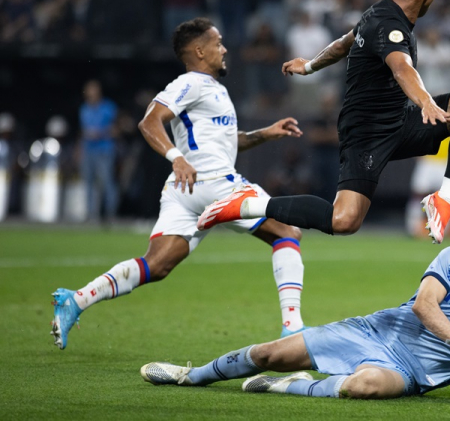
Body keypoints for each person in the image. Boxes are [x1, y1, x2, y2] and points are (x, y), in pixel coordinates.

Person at [140, 212, 450, 406]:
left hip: (410, 371)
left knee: (365, 387)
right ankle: (193, 375)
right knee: (267, 352)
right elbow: (424, 306)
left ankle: (292, 388)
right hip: (375, 331)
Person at [197, 0, 450, 244]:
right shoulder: (390, 26)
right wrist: (426, 102)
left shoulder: (377, 13)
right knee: (344, 221)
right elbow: (402, 69)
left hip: (400, 121)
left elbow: (344, 44)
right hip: (365, 134)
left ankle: (443, 199)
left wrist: (310, 65)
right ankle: (248, 204)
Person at [51, 18, 308, 350]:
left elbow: (227, 144)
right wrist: (175, 156)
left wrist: (265, 133)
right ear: (199, 51)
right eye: (218, 43)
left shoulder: (213, 89)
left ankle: (76, 300)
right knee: (287, 232)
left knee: (156, 265)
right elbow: (149, 121)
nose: (224, 48)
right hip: (213, 182)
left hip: (186, 190)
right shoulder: (190, 83)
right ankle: (293, 330)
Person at [79, 79, 119, 222]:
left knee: (107, 182)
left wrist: (100, 133)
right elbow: (83, 131)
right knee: (88, 183)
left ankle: (110, 214)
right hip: (89, 150)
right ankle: (91, 215)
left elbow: (116, 129)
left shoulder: (108, 107)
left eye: (93, 89)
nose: (90, 93)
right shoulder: (84, 109)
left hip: (104, 150)